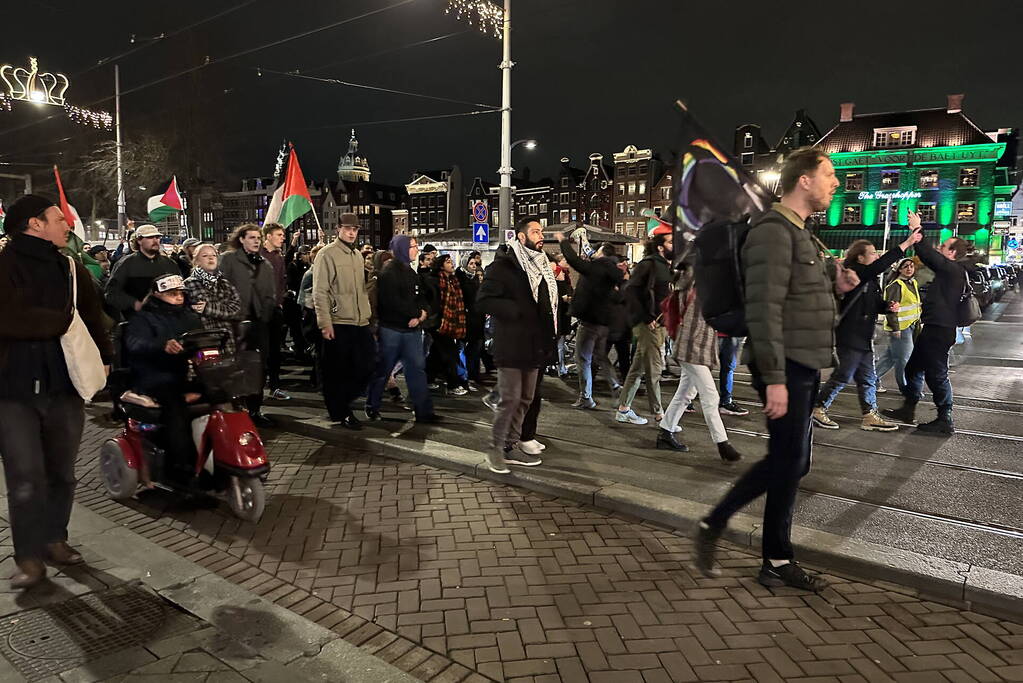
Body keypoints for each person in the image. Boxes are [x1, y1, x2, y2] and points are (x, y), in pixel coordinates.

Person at [694, 148, 848, 592]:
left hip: (803, 362)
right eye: (829, 174)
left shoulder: (798, 232)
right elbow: (763, 310)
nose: (834, 183)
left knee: (792, 464)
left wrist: (838, 285)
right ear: (804, 180)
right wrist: (775, 377)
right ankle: (717, 526)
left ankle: (776, 558)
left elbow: (798, 301)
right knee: (787, 460)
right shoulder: (773, 233)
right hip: (786, 366)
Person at [0, 195, 114, 588]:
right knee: (26, 477)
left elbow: (92, 317)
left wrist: (105, 357)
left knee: (63, 473)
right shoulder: (4, 265)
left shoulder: (71, 268)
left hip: (64, 386)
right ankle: (28, 557)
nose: (67, 224)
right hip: (11, 391)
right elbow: (10, 319)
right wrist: (59, 320)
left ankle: (55, 538)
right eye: (58, 218)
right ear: (34, 224)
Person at [812, 231, 921, 432]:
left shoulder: (869, 280)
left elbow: (870, 304)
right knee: (844, 374)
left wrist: (887, 306)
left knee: (868, 378)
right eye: (872, 253)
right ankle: (818, 408)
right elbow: (881, 265)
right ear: (860, 257)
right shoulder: (855, 272)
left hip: (863, 336)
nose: (876, 256)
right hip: (850, 335)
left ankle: (869, 415)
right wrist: (906, 243)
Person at [477, 217, 558, 474]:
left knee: (526, 398)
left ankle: (510, 445)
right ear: (521, 238)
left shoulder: (543, 266)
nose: (540, 235)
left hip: (535, 344)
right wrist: (514, 310)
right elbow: (483, 301)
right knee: (509, 399)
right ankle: (495, 450)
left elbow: (546, 306)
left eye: (542, 231)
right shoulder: (503, 267)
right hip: (511, 343)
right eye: (535, 231)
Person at [883, 212, 974, 435]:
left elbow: (927, 254)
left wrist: (917, 229)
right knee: (913, 367)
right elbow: (930, 257)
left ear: (952, 253)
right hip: (933, 328)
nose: (941, 248)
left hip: (940, 330)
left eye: (944, 246)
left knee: (937, 374)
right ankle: (909, 408)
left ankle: (945, 418)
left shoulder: (953, 270)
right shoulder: (950, 271)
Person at [657, 269, 744, 462]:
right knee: (710, 396)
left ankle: (665, 431)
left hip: (695, 350)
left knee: (686, 393)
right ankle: (723, 444)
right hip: (692, 350)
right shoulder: (697, 288)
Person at [123, 274, 202, 483]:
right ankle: (180, 469)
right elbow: (135, 344)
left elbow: (201, 340)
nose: (178, 298)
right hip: (155, 375)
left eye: (181, 293)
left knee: (224, 395)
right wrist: (162, 346)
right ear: (157, 294)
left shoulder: (190, 317)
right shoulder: (143, 318)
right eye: (172, 294)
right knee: (176, 411)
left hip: (188, 373)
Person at [365, 235, 438, 422]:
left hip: (410, 330)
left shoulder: (410, 272)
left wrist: (421, 314)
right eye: (413, 247)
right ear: (403, 249)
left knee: (416, 370)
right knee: (384, 370)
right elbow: (392, 302)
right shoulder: (389, 272)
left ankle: (423, 411)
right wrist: (415, 314)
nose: (416, 250)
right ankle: (372, 405)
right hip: (392, 330)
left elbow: (421, 297)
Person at [312, 213, 375, 430]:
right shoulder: (326, 254)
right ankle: (340, 411)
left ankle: (341, 403)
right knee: (337, 369)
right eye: (347, 228)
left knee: (367, 364)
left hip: (359, 321)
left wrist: (367, 315)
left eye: (355, 229)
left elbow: (360, 290)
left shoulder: (357, 255)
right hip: (339, 320)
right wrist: (325, 322)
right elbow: (320, 291)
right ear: (338, 229)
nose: (351, 232)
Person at [219, 223, 278, 427]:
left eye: (258, 238)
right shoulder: (228, 260)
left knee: (257, 368)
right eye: (251, 237)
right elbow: (220, 287)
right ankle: (236, 410)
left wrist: (264, 316)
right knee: (235, 367)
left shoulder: (265, 265)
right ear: (241, 239)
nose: (256, 241)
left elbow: (271, 294)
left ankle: (255, 409)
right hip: (233, 323)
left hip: (257, 324)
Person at [556, 234, 623, 409]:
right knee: (600, 356)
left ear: (602, 254)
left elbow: (573, 260)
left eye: (598, 250)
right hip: (604, 323)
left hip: (589, 322)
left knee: (583, 359)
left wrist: (562, 240)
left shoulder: (597, 268)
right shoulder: (613, 271)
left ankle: (586, 397)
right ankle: (615, 384)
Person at [616, 229, 673, 425]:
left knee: (637, 368)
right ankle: (660, 416)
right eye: (671, 242)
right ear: (660, 247)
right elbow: (630, 291)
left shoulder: (667, 266)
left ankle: (623, 409)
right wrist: (646, 316)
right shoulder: (649, 265)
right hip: (650, 325)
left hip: (659, 324)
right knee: (654, 369)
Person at [104, 224, 180, 320]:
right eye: (150, 237)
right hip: (138, 319)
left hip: (169, 317)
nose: (155, 241)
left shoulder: (169, 263)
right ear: (139, 240)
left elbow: (180, 288)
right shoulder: (126, 264)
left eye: (157, 237)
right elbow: (111, 293)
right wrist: (134, 303)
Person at [183, 243, 243, 354]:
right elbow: (192, 311)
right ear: (196, 261)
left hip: (227, 339)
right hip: (203, 340)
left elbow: (236, 310)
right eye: (205, 256)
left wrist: (208, 308)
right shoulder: (189, 284)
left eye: (214, 255)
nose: (210, 258)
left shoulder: (225, 283)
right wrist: (223, 310)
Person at [874, 258, 921, 395]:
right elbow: (891, 308)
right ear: (899, 269)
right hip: (901, 328)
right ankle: (905, 388)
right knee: (903, 360)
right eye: (905, 266)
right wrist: (896, 328)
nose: (909, 269)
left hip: (911, 326)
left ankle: (871, 380)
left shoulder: (913, 282)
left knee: (889, 358)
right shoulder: (896, 285)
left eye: (912, 266)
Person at [426, 254, 470, 395]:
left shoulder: (453, 280)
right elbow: (433, 301)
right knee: (450, 353)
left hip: (449, 323)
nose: (452, 264)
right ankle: (453, 384)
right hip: (439, 323)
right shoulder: (436, 280)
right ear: (441, 265)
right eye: (448, 262)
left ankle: (428, 379)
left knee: (436, 354)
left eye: (452, 262)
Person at [259, 223, 290, 401]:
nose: (282, 238)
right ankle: (259, 389)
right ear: (268, 236)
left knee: (275, 351)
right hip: (261, 311)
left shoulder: (278, 257)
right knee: (262, 351)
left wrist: (279, 303)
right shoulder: (258, 256)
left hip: (275, 310)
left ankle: (275, 386)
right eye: (279, 234)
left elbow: (280, 283)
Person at [457, 251, 486, 385]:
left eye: (475, 263)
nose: (474, 266)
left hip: (477, 318)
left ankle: (474, 373)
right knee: (463, 349)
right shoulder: (460, 278)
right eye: (471, 263)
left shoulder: (475, 278)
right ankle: (464, 375)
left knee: (477, 347)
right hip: (466, 319)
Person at [717, 336, 749, 416]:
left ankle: (726, 402)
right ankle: (725, 402)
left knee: (700, 368)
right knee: (699, 368)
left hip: (727, 335)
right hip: (721, 334)